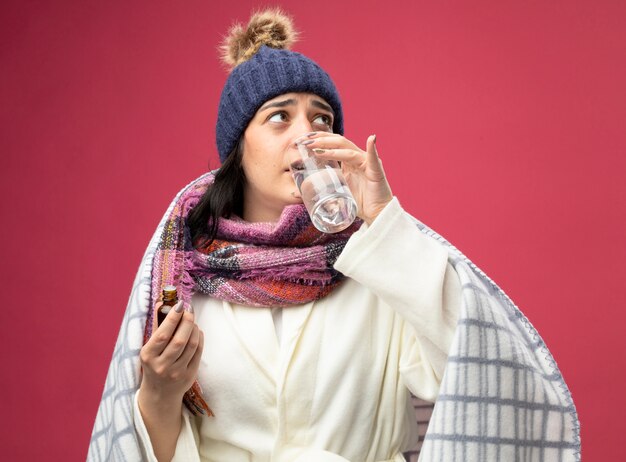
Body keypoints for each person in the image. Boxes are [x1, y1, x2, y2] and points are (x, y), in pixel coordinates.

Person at [88, 8, 580, 462]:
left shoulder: (377, 266)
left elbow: (477, 362)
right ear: (238, 147)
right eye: (279, 116)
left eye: (320, 118)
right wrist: (159, 393)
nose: (308, 136)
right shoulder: (187, 276)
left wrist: (386, 223)